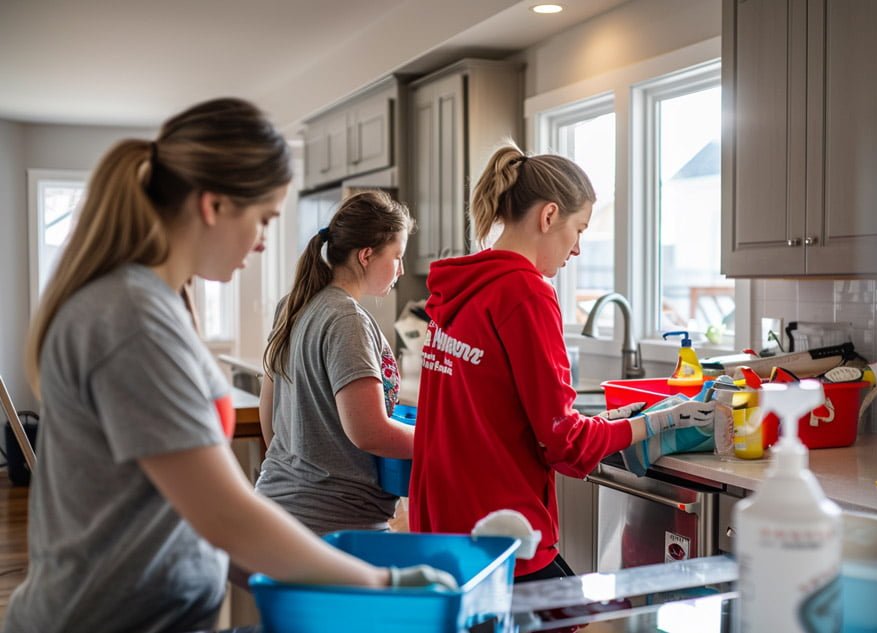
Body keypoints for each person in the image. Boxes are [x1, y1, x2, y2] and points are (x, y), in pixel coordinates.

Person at [3, 98, 454, 633]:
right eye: (262, 219)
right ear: (213, 205)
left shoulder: (159, 301)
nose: (264, 242)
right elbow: (222, 513)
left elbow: (203, 504)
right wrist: (381, 585)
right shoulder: (131, 317)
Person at [407, 143, 713, 581]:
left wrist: (612, 420)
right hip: (503, 535)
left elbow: (497, 408)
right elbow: (564, 444)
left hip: (443, 529)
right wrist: (661, 421)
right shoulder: (525, 292)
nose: (577, 251)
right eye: (580, 230)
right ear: (549, 216)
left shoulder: (461, 289)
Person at [256, 190, 414, 534]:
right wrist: (441, 441)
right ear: (367, 256)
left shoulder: (294, 304)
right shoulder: (346, 320)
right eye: (398, 256)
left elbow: (268, 415)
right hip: (332, 521)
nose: (401, 269)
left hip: (278, 507)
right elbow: (370, 432)